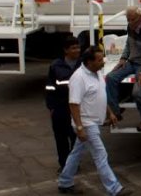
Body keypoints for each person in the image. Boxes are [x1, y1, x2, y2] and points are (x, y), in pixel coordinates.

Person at [58, 47, 133, 196]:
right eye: (99, 60)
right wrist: (79, 127)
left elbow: (100, 94)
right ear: (89, 62)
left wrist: (110, 112)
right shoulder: (78, 78)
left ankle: (65, 182)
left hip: (92, 122)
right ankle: (114, 189)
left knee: (76, 153)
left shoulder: (96, 73)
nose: (103, 62)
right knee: (100, 154)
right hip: (86, 123)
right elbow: (73, 104)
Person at [106, 6, 141, 132]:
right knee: (110, 78)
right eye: (128, 20)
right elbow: (128, 44)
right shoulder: (130, 26)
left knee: (137, 92)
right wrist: (123, 58)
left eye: (132, 20)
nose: (130, 23)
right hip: (132, 62)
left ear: (140, 17)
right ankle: (116, 113)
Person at [46, 35, 81, 173]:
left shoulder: (83, 64)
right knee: (61, 138)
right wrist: (51, 107)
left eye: (78, 47)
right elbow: (49, 88)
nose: (77, 50)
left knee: (75, 137)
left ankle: (73, 164)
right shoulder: (56, 66)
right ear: (66, 50)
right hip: (60, 108)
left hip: (77, 108)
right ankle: (64, 164)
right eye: (73, 48)